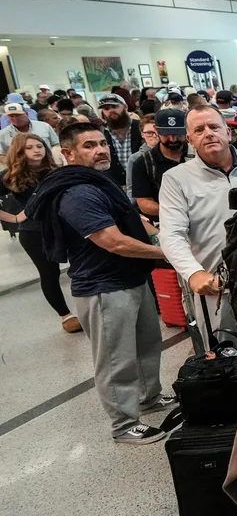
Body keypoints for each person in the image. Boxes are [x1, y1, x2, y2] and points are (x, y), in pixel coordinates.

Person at [24, 122, 176, 443]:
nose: (101, 150)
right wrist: (165, 253)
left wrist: (154, 231)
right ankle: (123, 424)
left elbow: (131, 220)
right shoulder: (77, 193)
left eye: (102, 143)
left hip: (131, 278)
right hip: (104, 287)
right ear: (68, 153)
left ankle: (149, 398)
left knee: (148, 345)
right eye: (89, 146)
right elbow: (113, 241)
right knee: (115, 359)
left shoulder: (99, 182)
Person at [159, 105, 237, 343]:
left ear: (228, 132)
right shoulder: (176, 179)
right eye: (199, 129)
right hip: (218, 290)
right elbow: (171, 234)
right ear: (190, 139)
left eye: (214, 127)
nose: (208, 133)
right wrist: (193, 273)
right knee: (228, 359)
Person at [0, 133, 81, 333]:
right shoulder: (9, 176)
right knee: (49, 274)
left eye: (40, 145)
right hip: (34, 231)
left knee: (81, 267)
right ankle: (66, 315)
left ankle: (89, 306)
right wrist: (14, 218)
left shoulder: (56, 171)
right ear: (19, 152)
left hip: (65, 226)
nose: (37, 150)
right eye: (30, 147)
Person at [128, 109, 191, 221]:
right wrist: (176, 211)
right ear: (156, 130)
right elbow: (143, 202)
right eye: (166, 134)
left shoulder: (198, 154)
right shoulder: (143, 163)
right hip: (165, 222)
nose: (173, 139)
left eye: (178, 134)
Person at [96, 94, 143, 194]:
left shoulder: (141, 127)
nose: (110, 111)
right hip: (115, 187)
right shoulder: (101, 132)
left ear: (125, 107)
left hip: (142, 186)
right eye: (106, 108)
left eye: (114, 106)